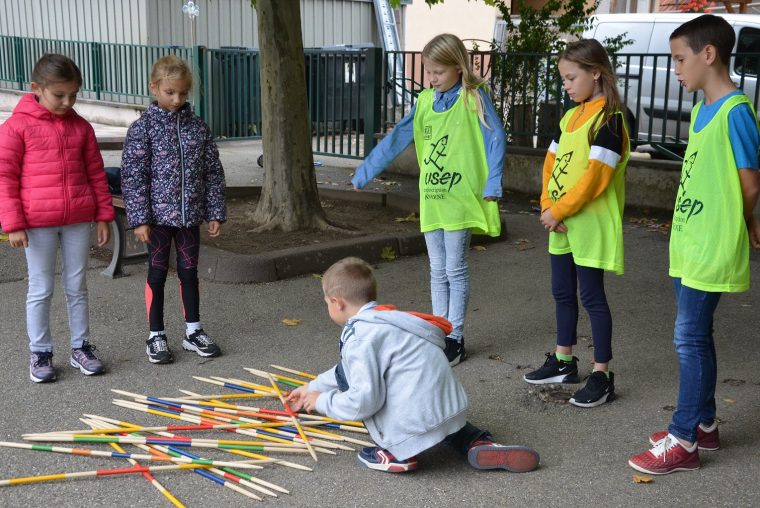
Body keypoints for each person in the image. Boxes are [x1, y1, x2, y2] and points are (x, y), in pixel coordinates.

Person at [629, 14, 760, 475]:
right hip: (690, 241)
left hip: (712, 243)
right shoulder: (702, 109)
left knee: (688, 337)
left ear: (710, 55)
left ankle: (683, 438)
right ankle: (704, 425)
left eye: (680, 59)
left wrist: (743, 223)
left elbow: (749, 182)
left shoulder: (736, 111)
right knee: (695, 335)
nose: (676, 69)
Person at [286, 257, 539, 473]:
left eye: (326, 303)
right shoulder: (390, 320)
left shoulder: (360, 338)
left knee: (363, 389)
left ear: (337, 302)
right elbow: (346, 369)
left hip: (415, 422)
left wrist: (321, 401)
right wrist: (312, 387)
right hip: (450, 411)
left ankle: (396, 453)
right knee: (435, 414)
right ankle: (476, 442)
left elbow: (363, 402)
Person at [352, 34, 505, 367]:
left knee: (455, 269)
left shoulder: (473, 97)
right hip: (433, 197)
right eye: (429, 72)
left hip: (460, 198)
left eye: (438, 71)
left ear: (458, 66)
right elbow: (398, 138)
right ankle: (439, 329)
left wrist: (493, 181)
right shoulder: (423, 101)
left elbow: (495, 138)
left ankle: (456, 338)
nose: (432, 78)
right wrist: (366, 171)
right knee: (437, 270)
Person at [522, 39, 630, 408]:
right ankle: (563, 361)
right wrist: (547, 206)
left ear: (595, 72)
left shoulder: (611, 119)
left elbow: (596, 178)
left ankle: (602, 374)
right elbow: (550, 166)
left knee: (592, 297)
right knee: (562, 293)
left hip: (588, 225)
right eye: (563, 79)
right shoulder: (570, 117)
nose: (566, 85)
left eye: (571, 77)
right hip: (562, 223)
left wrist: (560, 211)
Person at [0, 53, 114, 383]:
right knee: (41, 287)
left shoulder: (81, 127)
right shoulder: (17, 127)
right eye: (59, 95)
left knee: (77, 285)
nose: (67, 102)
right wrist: (14, 223)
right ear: (36, 88)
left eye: (73, 95)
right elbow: (5, 177)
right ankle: (40, 353)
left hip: (78, 218)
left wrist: (104, 215)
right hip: (36, 224)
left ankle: (81, 348)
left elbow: (96, 173)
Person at [121, 55, 226, 364]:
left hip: (189, 217)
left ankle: (193, 331)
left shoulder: (198, 128)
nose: (177, 99)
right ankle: (156, 335)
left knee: (189, 272)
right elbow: (133, 175)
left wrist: (215, 211)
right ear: (154, 88)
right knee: (156, 273)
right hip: (156, 221)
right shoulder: (143, 129)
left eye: (182, 93)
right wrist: (139, 218)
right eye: (170, 93)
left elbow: (213, 172)